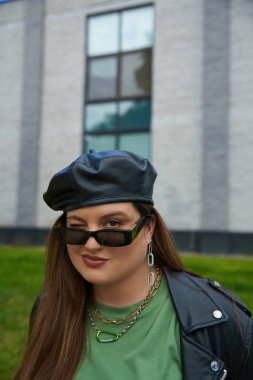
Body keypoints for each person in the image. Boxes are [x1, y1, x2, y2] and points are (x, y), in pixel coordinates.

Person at [13, 150, 252, 380]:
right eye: (77, 226)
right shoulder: (50, 306)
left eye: (113, 224)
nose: (91, 244)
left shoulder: (220, 321)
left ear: (149, 228)